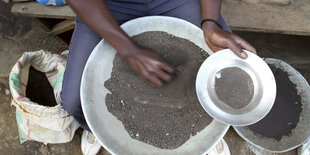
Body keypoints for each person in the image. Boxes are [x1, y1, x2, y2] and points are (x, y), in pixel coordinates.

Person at [61, 0, 256, 154]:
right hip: (108, 5)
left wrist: (211, 22)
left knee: (222, 67)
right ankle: (97, 130)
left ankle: (208, 138)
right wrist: (129, 50)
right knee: (74, 100)